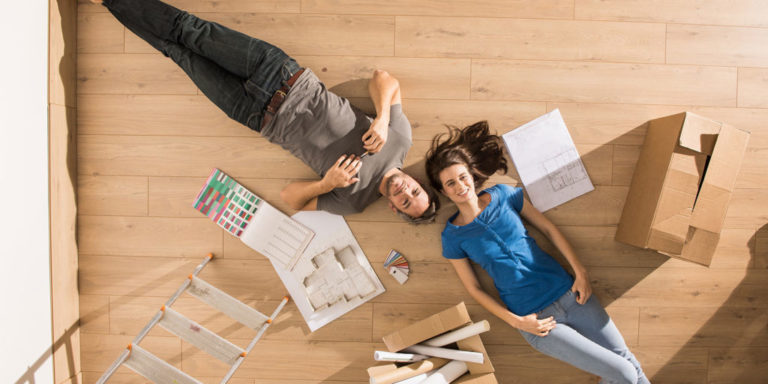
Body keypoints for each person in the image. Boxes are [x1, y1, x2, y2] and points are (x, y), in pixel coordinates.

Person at [93, 0, 439, 222]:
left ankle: (111, 2)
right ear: (418, 183)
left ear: (395, 209)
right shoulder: (399, 140)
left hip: (255, 115)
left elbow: (291, 199)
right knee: (189, 30)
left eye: (406, 203)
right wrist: (382, 119)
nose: (405, 193)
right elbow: (384, 79)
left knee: (178, 53)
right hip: (282, 75)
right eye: (415, 192)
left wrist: (325, 183)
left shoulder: (353, 202)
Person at [425, 121, 649, 383]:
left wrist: (581, 272)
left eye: (462, 177)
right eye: (450, 183)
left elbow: (549, 229)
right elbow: (474, 289)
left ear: (472, 175)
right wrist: (517, 322)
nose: (460, 186)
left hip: (572, 295)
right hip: (537, 320)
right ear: (443, 191)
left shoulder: (505, 195)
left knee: (627, 362)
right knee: (623, 372)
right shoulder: (452, 237)